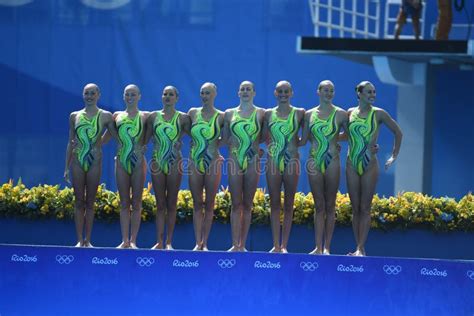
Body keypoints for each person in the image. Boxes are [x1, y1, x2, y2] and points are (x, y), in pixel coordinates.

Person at [346, 81, 402, 256]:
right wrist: (331, 142)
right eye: (369, 92)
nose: (372, 95)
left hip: (370, 164)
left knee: (365, 207)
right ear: (359, 94)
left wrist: (393, 155)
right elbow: (344, 136)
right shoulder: (349, 113)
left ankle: (361, 247)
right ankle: (357, 246)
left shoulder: (378, 114)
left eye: (374, 92)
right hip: (351, 163)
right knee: (355, 208)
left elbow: (398, 132)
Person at [64, 83, 117, 247]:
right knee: (79, 201)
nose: (89, 96)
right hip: (78, 162)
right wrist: (67, 166)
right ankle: (79, 240)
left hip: (94, 162)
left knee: (90, 201)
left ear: (98, 95)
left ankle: (88, 240)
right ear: (83, 95)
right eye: (87, 93)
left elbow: (115, 134)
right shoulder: (74, 116)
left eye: (92, 93)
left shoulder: (106, 116)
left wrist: (100, 142)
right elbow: (70, 142)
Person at [300, 80, 347, 255]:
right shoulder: (308, 114)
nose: (328, 93)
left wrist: (334, 141)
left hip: (332, 161)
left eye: (331, 91)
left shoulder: (341, 114)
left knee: (330, 204)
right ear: (318, 92)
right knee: (319, 205)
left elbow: (350, 136)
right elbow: (304, 140)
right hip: (314, 161)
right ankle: (317, 247)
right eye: (325, 90)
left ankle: (327, 247)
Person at [144, 86, 191, 250]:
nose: (167, 97)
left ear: (177, 98)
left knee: (171, 202)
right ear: (161, 97)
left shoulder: (183, 118)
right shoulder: (153, 117)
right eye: (165, 94)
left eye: (171, 94)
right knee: (160, 203)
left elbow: (198, 137)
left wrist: (180, 141)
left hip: (174, 161)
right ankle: (159, 241)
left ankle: (169, 242)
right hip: (157, 162)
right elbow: (144, 139)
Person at [263, 81, 304, 253]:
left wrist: (335, 143)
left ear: (292, 93)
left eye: (286, 91)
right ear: (275, 93)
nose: (283, 94)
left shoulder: (300, 113)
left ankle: (284, 245)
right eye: (280, 91)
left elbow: (308, 138)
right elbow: (263, 136)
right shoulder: (267, 114)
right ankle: (275, 245)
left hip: (292, 161)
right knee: (274, 203)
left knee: (288, 203)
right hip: (273, 161)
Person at [223, 81, 265, 252]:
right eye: (243, 89)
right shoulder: (229, 113)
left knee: (247, 204)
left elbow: (264, 136)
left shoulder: (261, 113)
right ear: (238, 93)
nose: (245, 91)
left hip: (252, 160)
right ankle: (234, 244)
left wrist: (254, 148)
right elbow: (225, 138)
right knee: (236, 203)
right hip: (235, 160)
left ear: (254, 93)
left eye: (249, 89)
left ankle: (243, 244)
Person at [111, 84, 149, 249]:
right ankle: (124, 240)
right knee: (124, 202)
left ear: (139, 96)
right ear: (123, 96)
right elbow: (107, 136)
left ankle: (133, 240)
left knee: (137, 201)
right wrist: (93, 144)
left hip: (138, 162)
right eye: (127, 94)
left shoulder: (146, 116)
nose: (130, 97)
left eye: (133, 94)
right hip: (121, 161)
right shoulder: (116, 116)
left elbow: (157, 132)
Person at [188, 82, 224, 251]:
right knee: (197, 203)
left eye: (208, 93)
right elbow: (188, 133)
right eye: (202, 92)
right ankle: (197, 242)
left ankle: (205, 242)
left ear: (214, 94)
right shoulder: (193, 113)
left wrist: (216, 148)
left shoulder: (221, 116)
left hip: (213, 161)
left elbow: (228, 137)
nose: (204, 95)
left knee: (209, 203)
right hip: (195, 161)